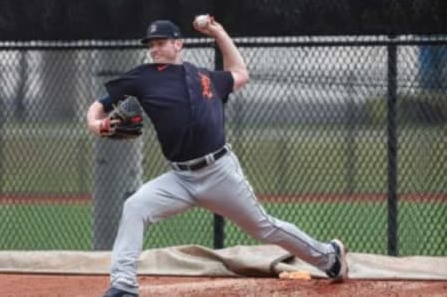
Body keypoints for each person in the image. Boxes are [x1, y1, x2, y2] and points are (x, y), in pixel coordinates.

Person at [87, 17, 348, 297]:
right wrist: (95, 124)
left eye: (160, 43)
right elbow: (98, 106)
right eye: (151, 44)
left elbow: (240, 73)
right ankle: (124, 285)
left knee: (265, 227)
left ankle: (330, 258)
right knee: (135, 207)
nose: (154, 49)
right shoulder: (143, 76)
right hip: (180, 178)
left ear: (178, 43)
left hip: (219, 173)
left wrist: (218, 32)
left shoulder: (205, 77)